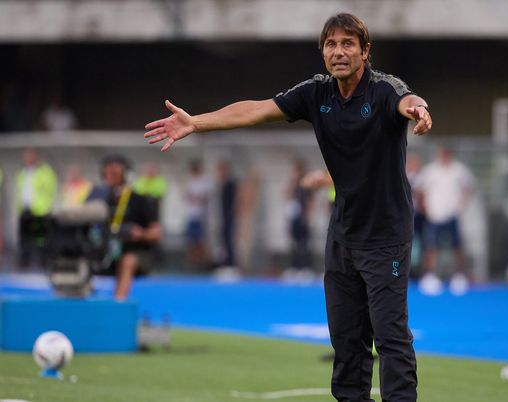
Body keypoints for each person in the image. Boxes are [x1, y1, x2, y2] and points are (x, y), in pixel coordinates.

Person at [144, 13, 431, 402]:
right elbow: (257, 109)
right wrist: (196, 122)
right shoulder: (317, 93)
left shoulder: (383, 91)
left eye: (348, 44)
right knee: (346, 341)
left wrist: (418, 109)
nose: (339, 51)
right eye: (331, 44)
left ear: (365, 51)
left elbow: (407, 99)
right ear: (323, 52)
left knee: (390, 337)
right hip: (343, 237)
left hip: (385, 237)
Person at [87, 155, 161, 301]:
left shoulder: (139, 199)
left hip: (134, 252)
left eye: (115, 173)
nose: (110, 177)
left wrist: (141, 234)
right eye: (107, 173)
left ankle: (118, 304)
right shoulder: (96, 198)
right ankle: (84, 303)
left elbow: (157, 233)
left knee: (127, 261)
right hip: (103, 249)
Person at [416, 146, 475, 296]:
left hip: (451, 215)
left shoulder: (459, 170)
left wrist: (462, 204)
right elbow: (419, 189)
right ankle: (429, 276)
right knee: (431, 247)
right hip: (434, 215)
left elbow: (469, 187)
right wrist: (424, 207)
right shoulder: (430, 171)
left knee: (457, 247)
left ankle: (459, 277)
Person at [15, 148, 57, 269]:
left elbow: (50, 190)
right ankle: (24, 262)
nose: (27, 159)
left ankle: (43, 262)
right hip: (25, 210)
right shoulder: (22, 172)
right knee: (24, 238)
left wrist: (47, 207)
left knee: (40, 239)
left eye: (30, 156)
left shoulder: (45, 171)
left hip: (40, 211)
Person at [283, 158, 314, 281]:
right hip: (294, 218)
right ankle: (294, 268)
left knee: (304, 244)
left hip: (303, 218)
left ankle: (306, 268)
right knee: (294, 244)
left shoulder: (306, 185)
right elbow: (286, 195)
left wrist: (307, 215)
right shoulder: (293, 185)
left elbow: (311, 201)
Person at [183, 160, 212, 270]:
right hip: (191, 215)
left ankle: (202, 262)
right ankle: (192, 263)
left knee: (200, 240)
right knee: (191, 240)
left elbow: (204, 197)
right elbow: (187, 196)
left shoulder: (204, 181)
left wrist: (195, 197)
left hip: (200, 215)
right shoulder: (190, 181)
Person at [216, 160, 240, 273]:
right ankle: (226, 264)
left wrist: (234, 211)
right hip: (223, 215)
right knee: (224, 240)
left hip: (229, 216)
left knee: (229, 240)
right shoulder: (222, 184)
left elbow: (237, 199)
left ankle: (232, 265)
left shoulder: (230, 184)